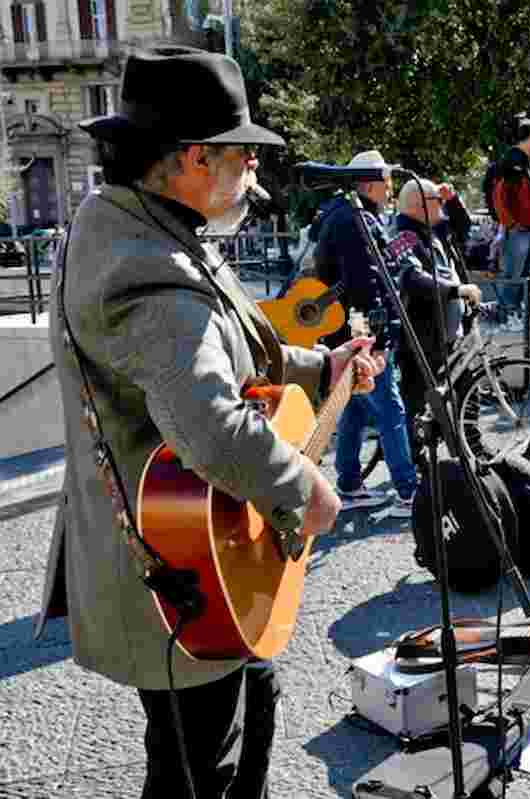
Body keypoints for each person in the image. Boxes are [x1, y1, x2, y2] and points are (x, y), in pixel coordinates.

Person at [41, 47, 383, 799]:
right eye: (244, 157)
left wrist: (322, 367)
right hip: (173, 570)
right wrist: (309, 490)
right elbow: (212, 427)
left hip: (199, 550)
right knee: (196, 767)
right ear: (196, 157)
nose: (254, 177)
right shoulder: (145, 267)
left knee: (249, 707)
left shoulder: (151, 224)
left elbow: (235, 339)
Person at [314, 150, 421, 519]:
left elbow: (366, 273)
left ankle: (349, 484)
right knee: (389, 405)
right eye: (387, 181)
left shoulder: (346, 214)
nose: (391, 188)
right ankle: (408, 491)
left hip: (348, 324)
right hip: (360, 326)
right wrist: (374, 336)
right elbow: (363, 283)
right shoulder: (355, 219)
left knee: (356, 408)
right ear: (370, 183)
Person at [388, 178, 485, 441]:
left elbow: (463, 227)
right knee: (416, 403)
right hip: (423, 336)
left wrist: (452, 199)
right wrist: (456, 290)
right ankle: (415, 464)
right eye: (437, 202)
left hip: (450, 332)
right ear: (420, 205)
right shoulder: (402, 236)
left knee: (468, 388)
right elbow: (411, 279)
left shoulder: (433, 228)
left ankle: (473, 446)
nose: (442, 206)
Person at [494, 117, 530, 320]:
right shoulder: (510, 161)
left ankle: (519, 317)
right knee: (513, 275)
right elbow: (499, 196)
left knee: (528, 277)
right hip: (519, 231)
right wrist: (511, 224)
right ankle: (506, 316)